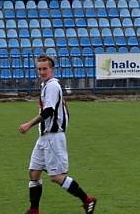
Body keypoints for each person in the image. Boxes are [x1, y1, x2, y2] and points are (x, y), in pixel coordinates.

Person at [19, 54, 97, 214]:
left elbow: (48, 111)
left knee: (56, 177)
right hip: (44, 137)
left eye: (44, 69)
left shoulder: (53, 86)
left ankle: (87, 200)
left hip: (53, 137)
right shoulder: (46, 85)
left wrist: (29, 124)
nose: (41, 72)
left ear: (51, 69)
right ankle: (34, 210)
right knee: (34, 172)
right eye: (39, 69)